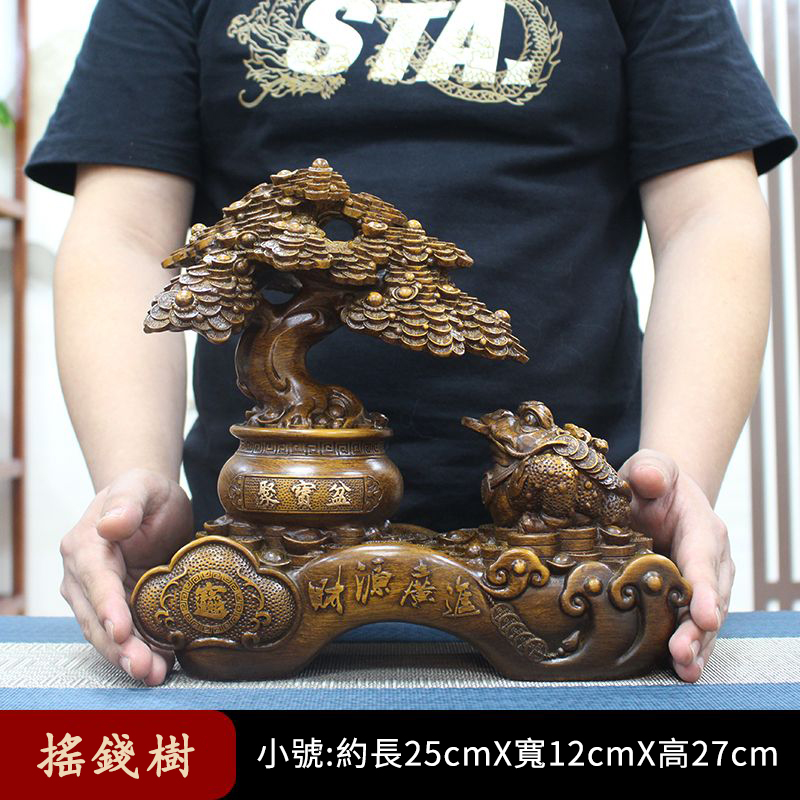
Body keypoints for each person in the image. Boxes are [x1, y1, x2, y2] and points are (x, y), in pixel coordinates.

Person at [27, 0, 796, 686]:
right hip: (264, 546)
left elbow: (706, 216)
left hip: (575, 557)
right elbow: (128, 234)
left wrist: (673, 480)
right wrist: (132, 479)